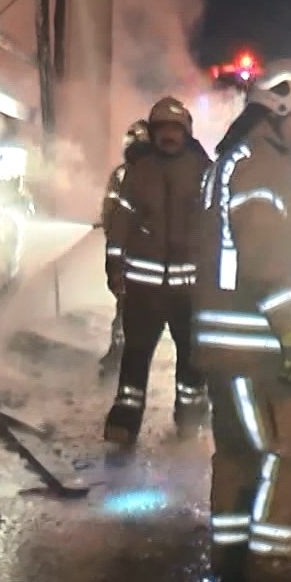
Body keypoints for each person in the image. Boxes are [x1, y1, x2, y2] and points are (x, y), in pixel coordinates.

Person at [193, 59, 291, 582]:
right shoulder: (261, 167)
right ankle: (273, 568)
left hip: (228, 343)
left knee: (238, 453)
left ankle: (232, 557)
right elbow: (264, 261)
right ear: (276, 109)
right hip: (257, 346)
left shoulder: (237, 161)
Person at [102, 99, 210, 443]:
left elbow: (216, 224)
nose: (168, 137)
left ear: (186, 134)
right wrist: (114, 263)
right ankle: (125, 419)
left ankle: (190, 416)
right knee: (135, 355)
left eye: (175, 130)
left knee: (192, 357)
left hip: (188, 290)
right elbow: (121, 221)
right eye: (162, 130)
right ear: (153, 133)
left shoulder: (203, 171)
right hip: (144, 290)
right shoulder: (139, 171)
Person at [99, 120, 150, 374]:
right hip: (144, 258)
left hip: (133, 258)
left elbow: (110, 213)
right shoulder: (155, 173)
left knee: (126, 310)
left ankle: (118, 359)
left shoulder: (123, 174)